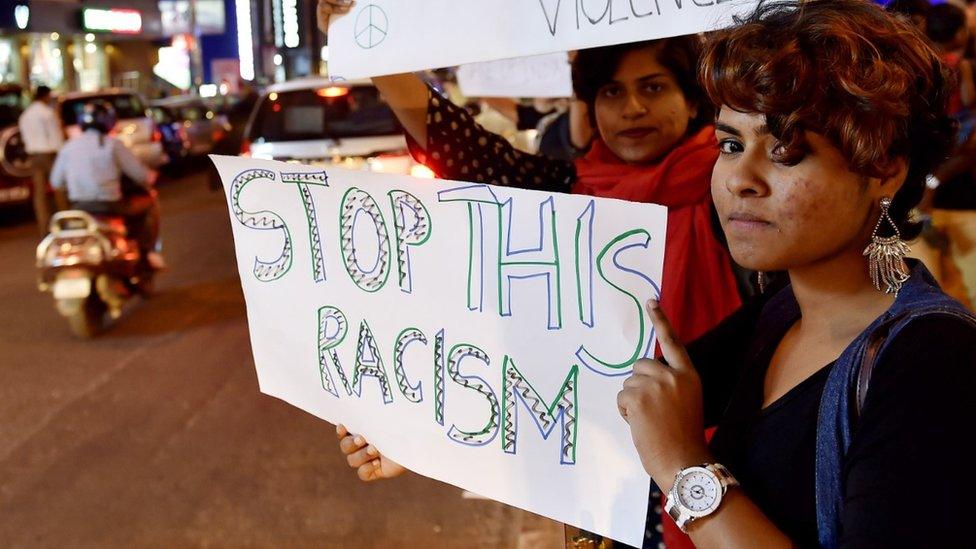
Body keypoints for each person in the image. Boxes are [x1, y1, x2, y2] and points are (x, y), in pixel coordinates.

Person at [320, 2, 742, 547]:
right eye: (612, 92)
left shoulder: (740, 191)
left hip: (731, 463)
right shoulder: (566, 194)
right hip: (607, 476)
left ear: (692, 101)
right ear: (591, 106)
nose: (633, 107)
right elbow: (460, 147)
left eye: (654, 87)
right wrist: (372, 44)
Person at [614, 0, 976, 546]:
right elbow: (639, 397)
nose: (741, 179)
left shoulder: (933, 361)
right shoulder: (785, 305)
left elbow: (667, 435)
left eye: (786, 152)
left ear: (883, 169)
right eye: (731, 145)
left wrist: (684, 466)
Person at [50, 101, 165, 270]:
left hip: (79, 206)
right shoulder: (113, 145)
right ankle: (146, 254)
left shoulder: (68, 147)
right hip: (111, 205)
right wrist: (152, 176)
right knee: (148, 204)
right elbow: (140, 175)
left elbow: (55, 181)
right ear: (108, 122)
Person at [18, 85, 64, 235]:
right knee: (59, 187)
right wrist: (62, 153)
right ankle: (64, 221)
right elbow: (56, 136)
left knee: (39, 194)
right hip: (49, 154)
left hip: (34, 155)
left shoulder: (25, 115)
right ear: (45, 96)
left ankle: (43, 227)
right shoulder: (48, 113)